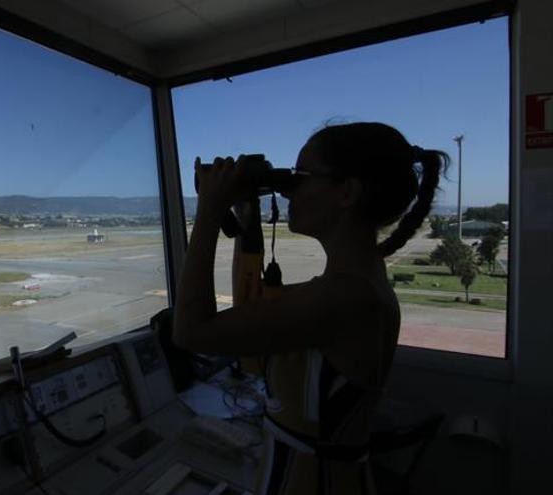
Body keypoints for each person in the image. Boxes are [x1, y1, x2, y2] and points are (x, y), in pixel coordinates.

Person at [172, 122, 448, 495]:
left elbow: (191, 330)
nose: (289, 191)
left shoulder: (345, 298)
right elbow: (254, 315)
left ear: (346, 192)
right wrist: (247, 218)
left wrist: (207, 211)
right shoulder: (354, 286)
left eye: (299, 177)